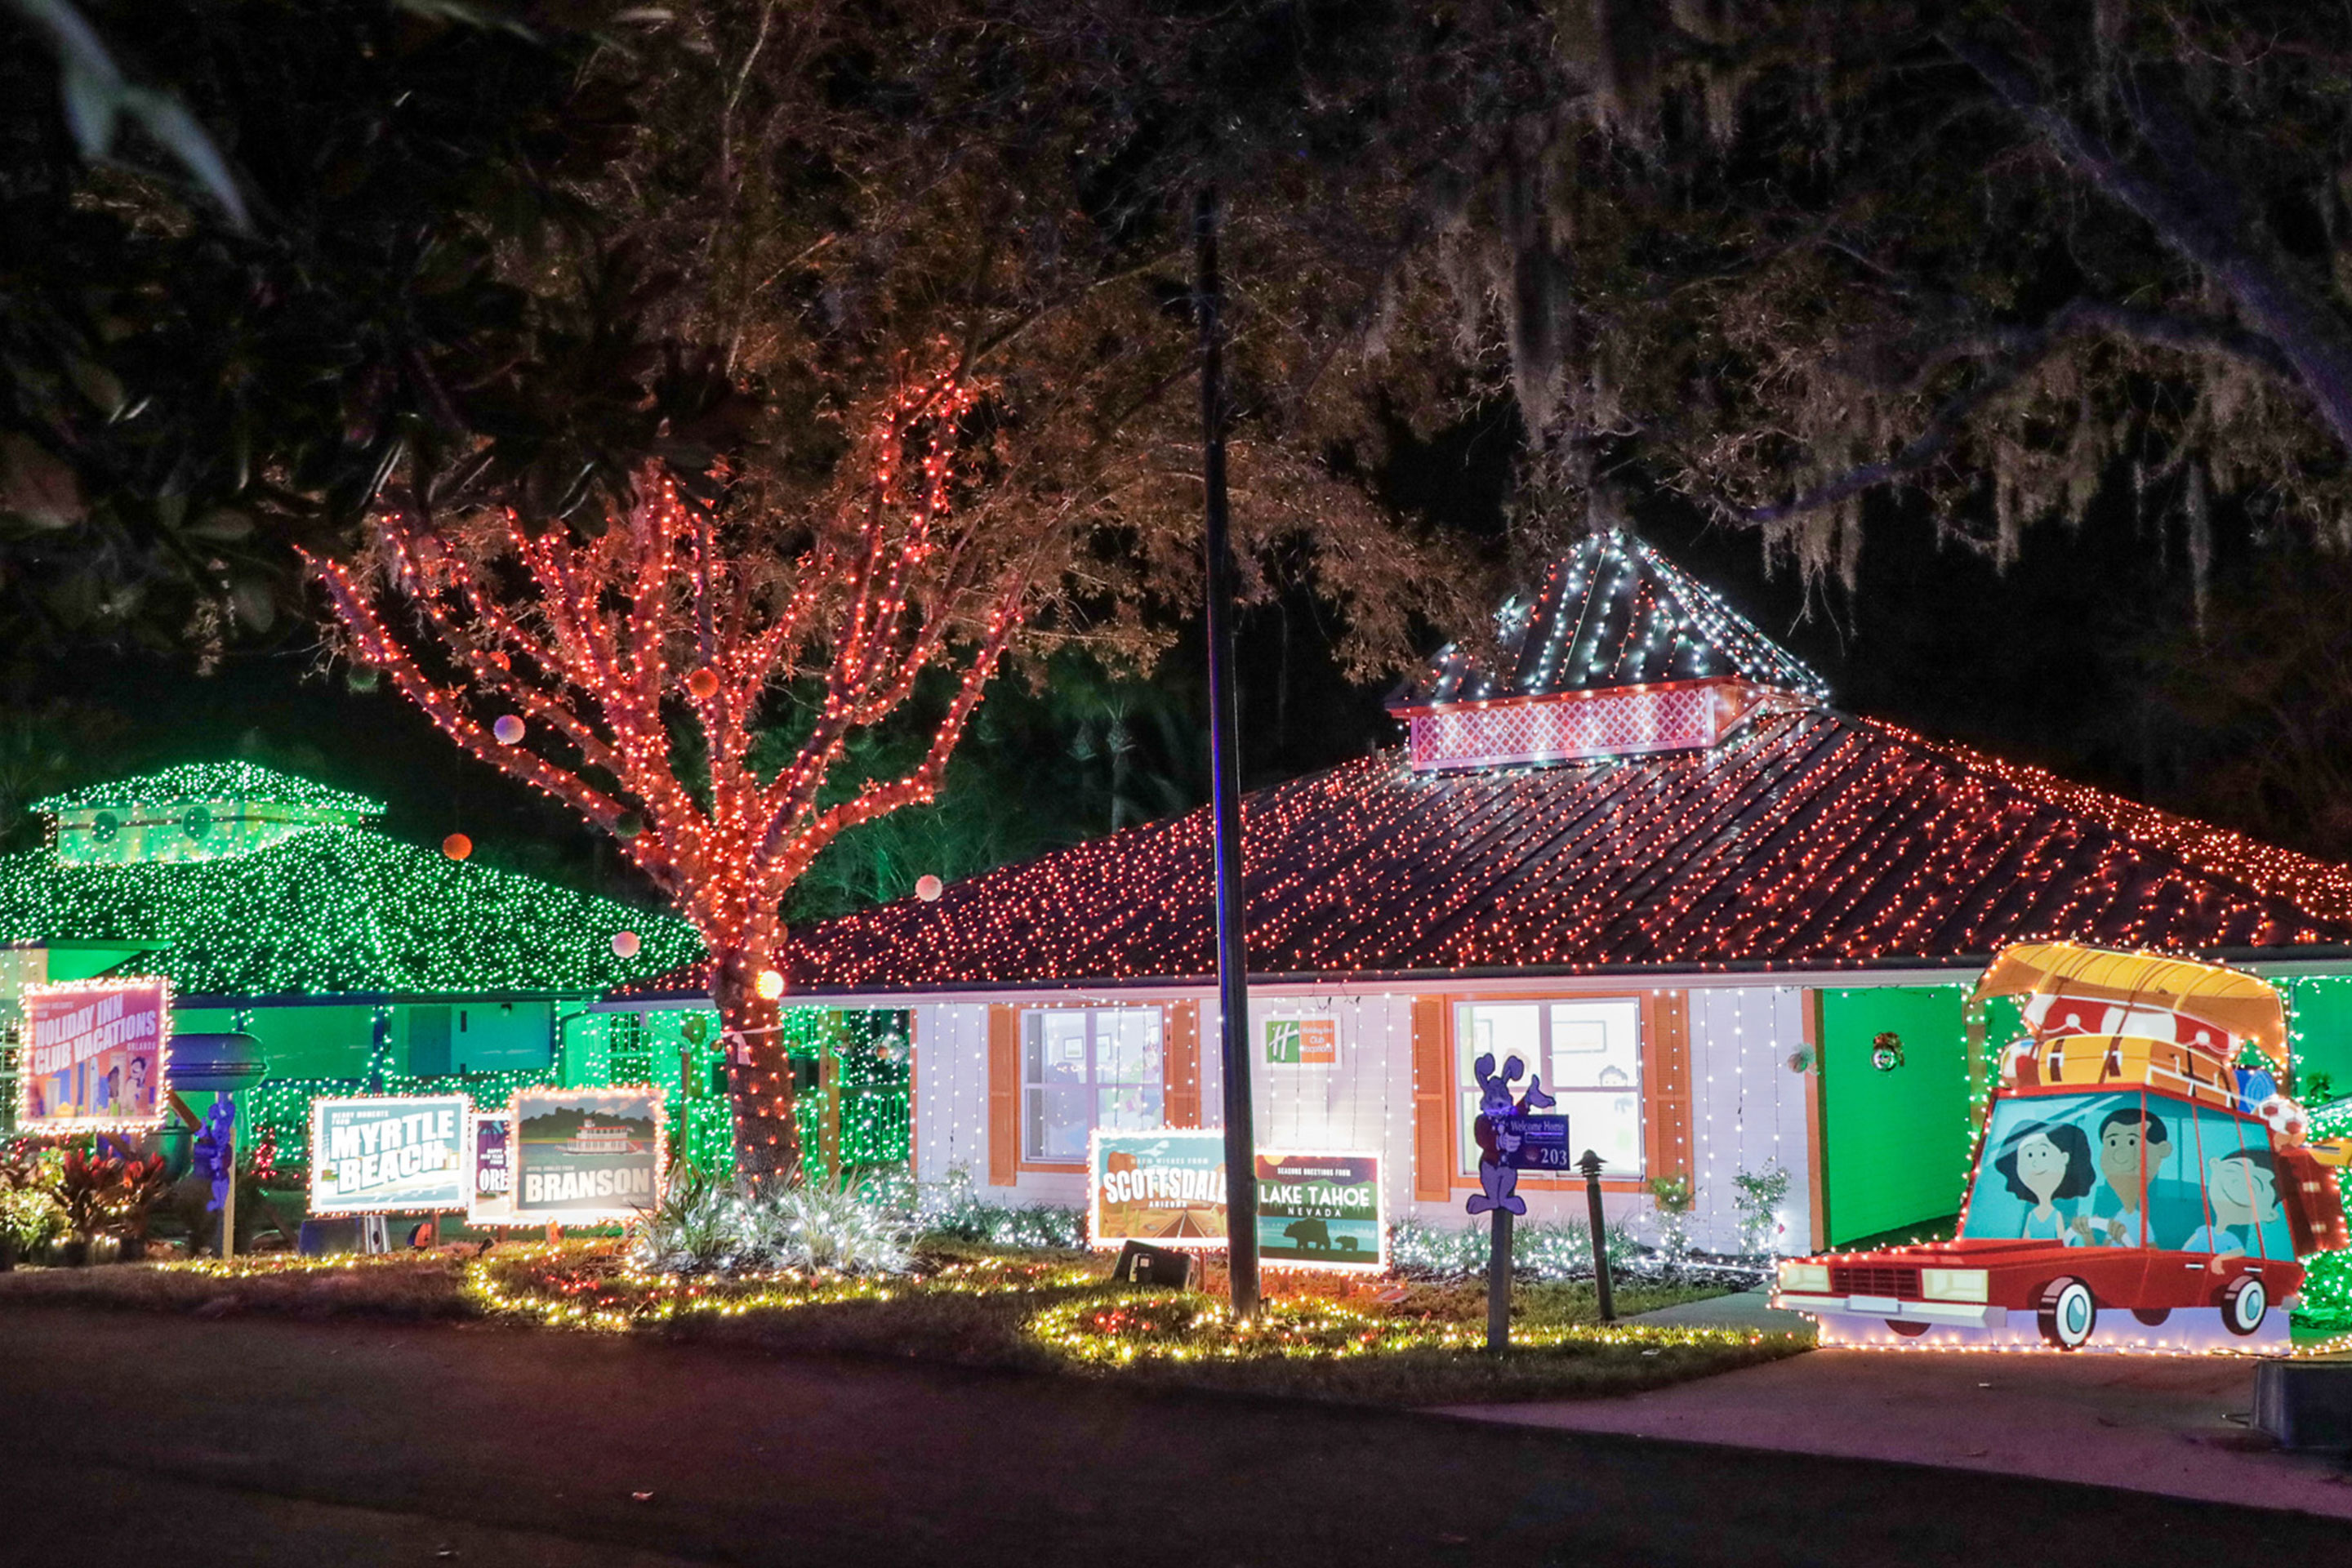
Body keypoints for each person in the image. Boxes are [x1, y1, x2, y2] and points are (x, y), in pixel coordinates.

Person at [2078, 1105, 2170, 1247]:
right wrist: (2087, 1236)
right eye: (2112, 1143)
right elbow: (2102, 1256)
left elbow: (2153, 1259)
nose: (2119, 1156)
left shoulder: (2146, 1219)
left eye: (2132, 1142)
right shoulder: (2118, 1214)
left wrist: (2125, 1242)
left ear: (2162, 1150)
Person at [1991, 1120, 2096, 1242]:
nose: (2035, 1163)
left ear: (2064, 1158)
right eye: (2029, 1155)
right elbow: (2025, 1237)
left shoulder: (2057, 1214)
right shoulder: (2031, 1215)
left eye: (2043, 1153)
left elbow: (2062, 1238)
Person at [2182, 1147, 2282, 1263]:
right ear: (2215, 1165)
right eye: (2231, 1171)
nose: (2236, 1184)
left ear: (2270, 1215)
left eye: (2251, 1187)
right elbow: (2185, 1249)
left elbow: (2239, 1251)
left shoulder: (2232, 1239)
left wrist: (2219, 1260)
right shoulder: (2204, 1231)